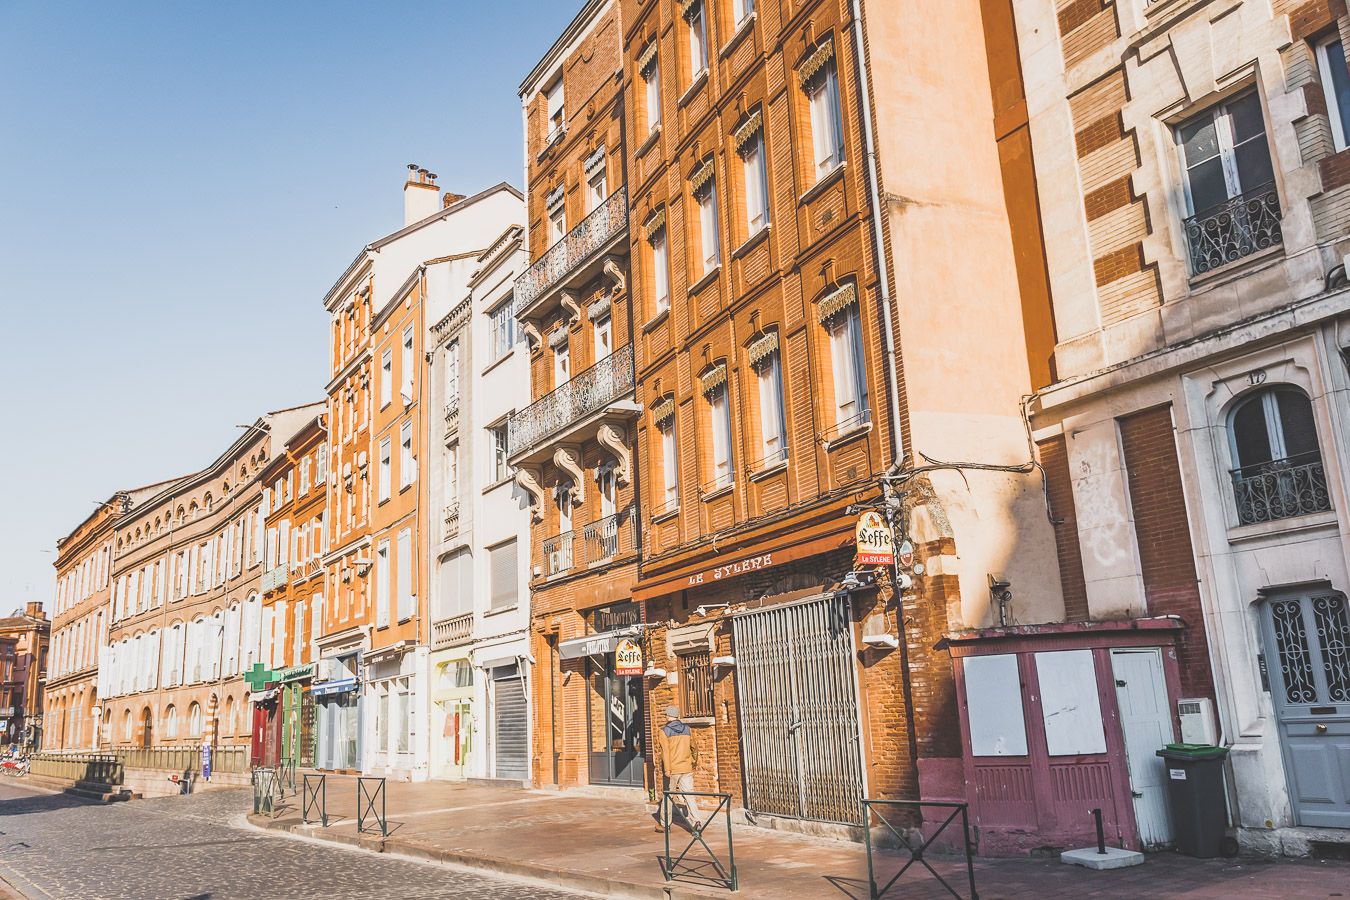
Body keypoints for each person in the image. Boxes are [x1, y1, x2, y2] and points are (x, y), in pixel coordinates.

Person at [655, 705, 699, 832]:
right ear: (677, 715)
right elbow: (694, 748)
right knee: (689, 795)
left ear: (668, 715)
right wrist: (693, 762)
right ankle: (696, 821)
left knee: (668, 796)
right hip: (686, 767)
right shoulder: (687, 729)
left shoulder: (664, 731)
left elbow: (665, 753)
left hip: (672, 769)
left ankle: (665, 824)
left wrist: (667, 770)